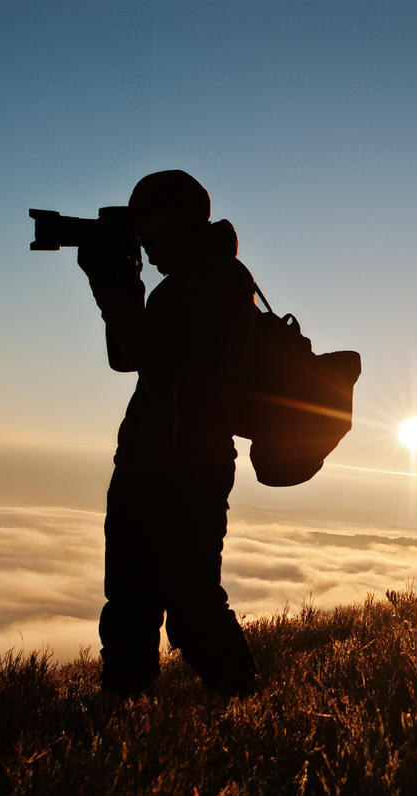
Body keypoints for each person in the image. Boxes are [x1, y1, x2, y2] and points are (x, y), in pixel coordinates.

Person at [77, 169, 260, 698]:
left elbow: (147, 357)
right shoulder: (181, 285)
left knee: (191, 606)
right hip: (148, 463)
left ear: (178, 222)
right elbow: (125, 359)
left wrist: (116, 286)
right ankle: (121, 717)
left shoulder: (216, 282)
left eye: (148, 229)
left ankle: (245, 705)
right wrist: (118, 285)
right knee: (130, 605)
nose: (144, 243)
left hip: (187, 468)